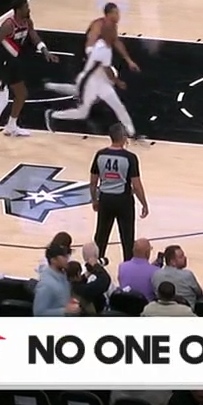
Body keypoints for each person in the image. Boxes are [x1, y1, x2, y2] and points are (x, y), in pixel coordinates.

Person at [0, 0, 59, 157]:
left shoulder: (27, 22)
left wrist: (45, 51)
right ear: (18, 9)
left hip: (13, 63)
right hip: (0, 65)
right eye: (26, 7)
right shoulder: (8, 25)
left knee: (22, 94)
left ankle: (11, 126)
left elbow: (33, 35)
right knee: (2, 100)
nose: (29, 9)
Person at [45, 34, 138, 138]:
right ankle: (53, 114)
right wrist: (118, 82)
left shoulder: (99, 49)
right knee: (82, 111)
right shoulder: (102, 51)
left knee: (118, 106)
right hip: (89, 82)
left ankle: (131, 132)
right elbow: (106, 69)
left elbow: (106, 69)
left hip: (97, 82)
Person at [87, 122, 149, 262]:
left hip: (105, 199)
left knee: (101, 237)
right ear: (124, 137)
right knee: (127, 239)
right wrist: (144, 203)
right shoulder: (130, 157)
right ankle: (129, 268)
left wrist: (94, 200)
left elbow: (93, 182)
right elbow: (136, 185)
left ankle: (94, 267)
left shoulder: (100, 155)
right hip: (123, 201)